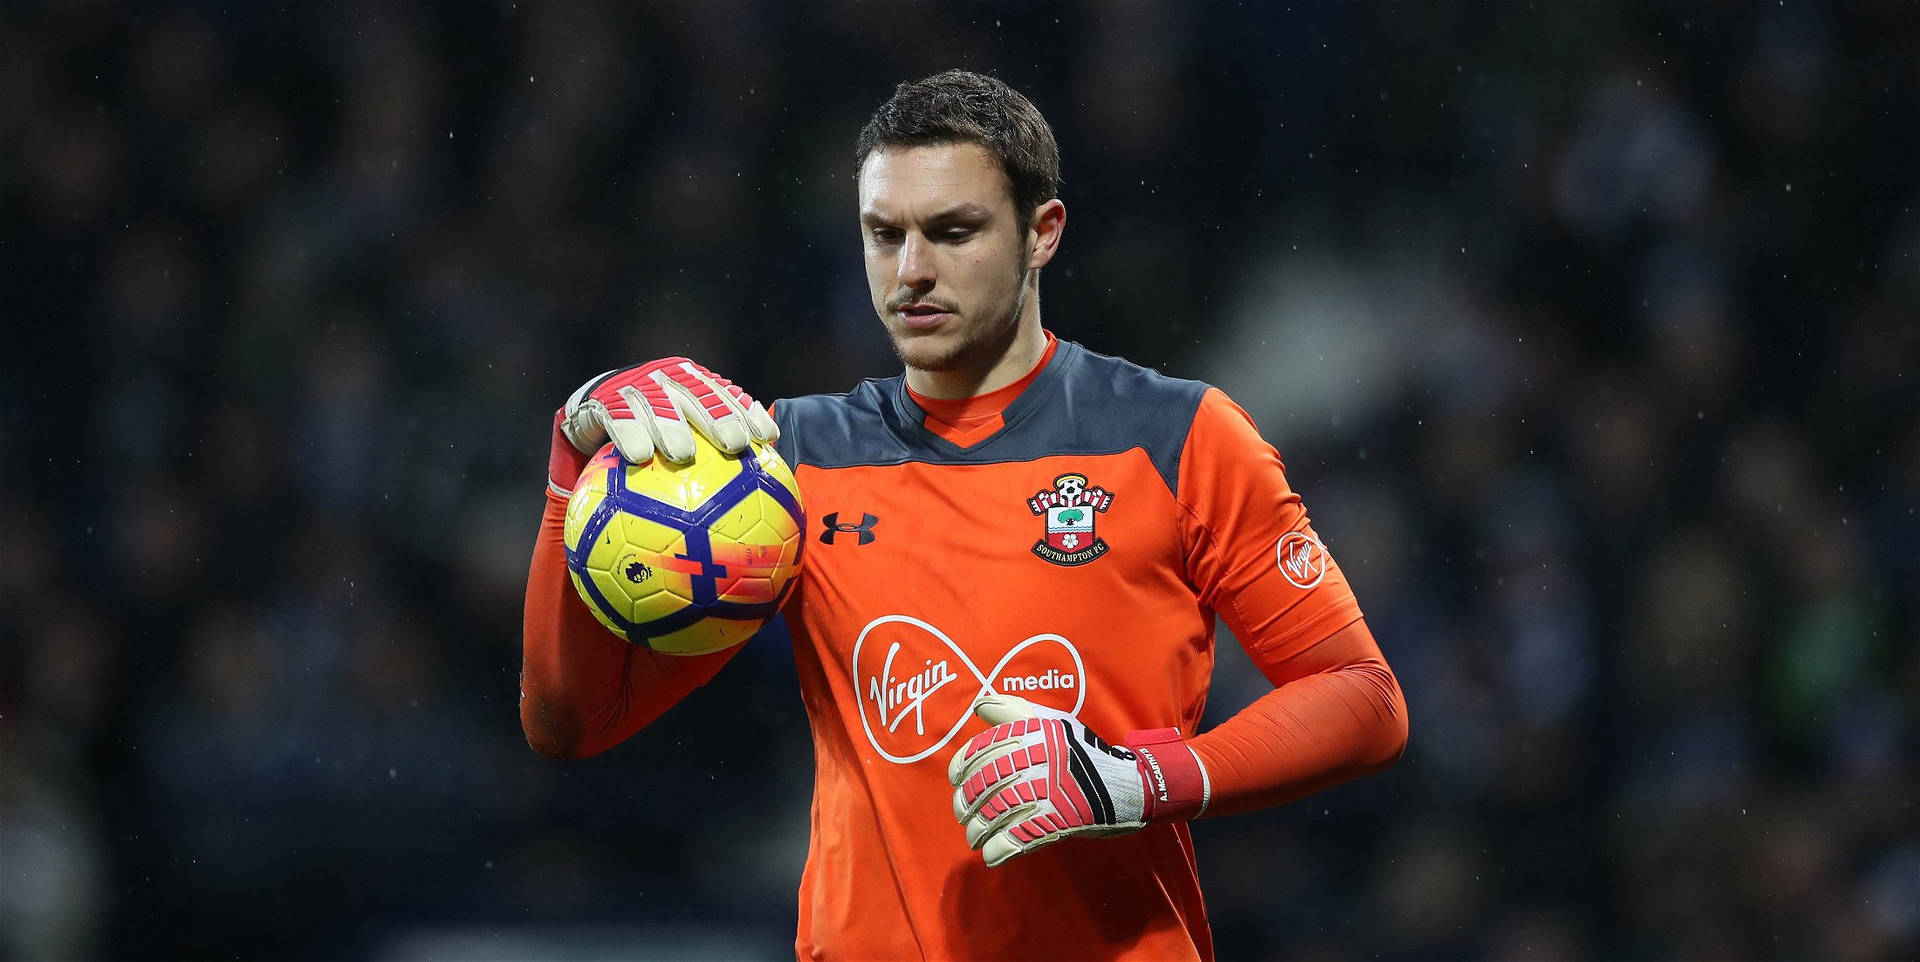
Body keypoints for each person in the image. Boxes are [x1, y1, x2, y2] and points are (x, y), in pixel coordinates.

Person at [521, 70, 1408, 962]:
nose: (912, 271)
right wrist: (572, 469)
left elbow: (1364, 701)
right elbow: (573, 723)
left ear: (1041, 235)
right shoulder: (780, 470)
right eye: (884, 235)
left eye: (954, 232)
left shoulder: (1177, 438)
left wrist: (1135, 782)